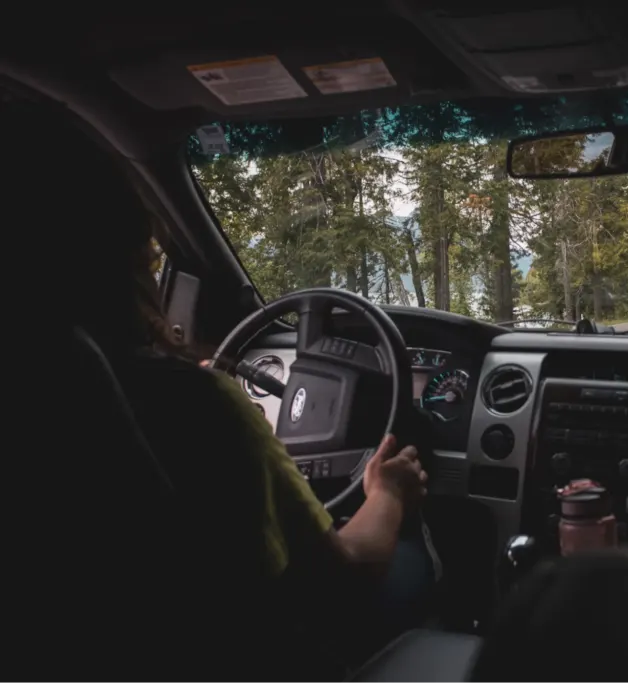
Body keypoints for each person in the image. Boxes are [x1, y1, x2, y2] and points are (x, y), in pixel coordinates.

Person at [8, 102, 437, 664]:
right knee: (407, 545)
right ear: (124, 256)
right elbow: (348, 573)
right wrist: (387, 492)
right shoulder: (196, 406)